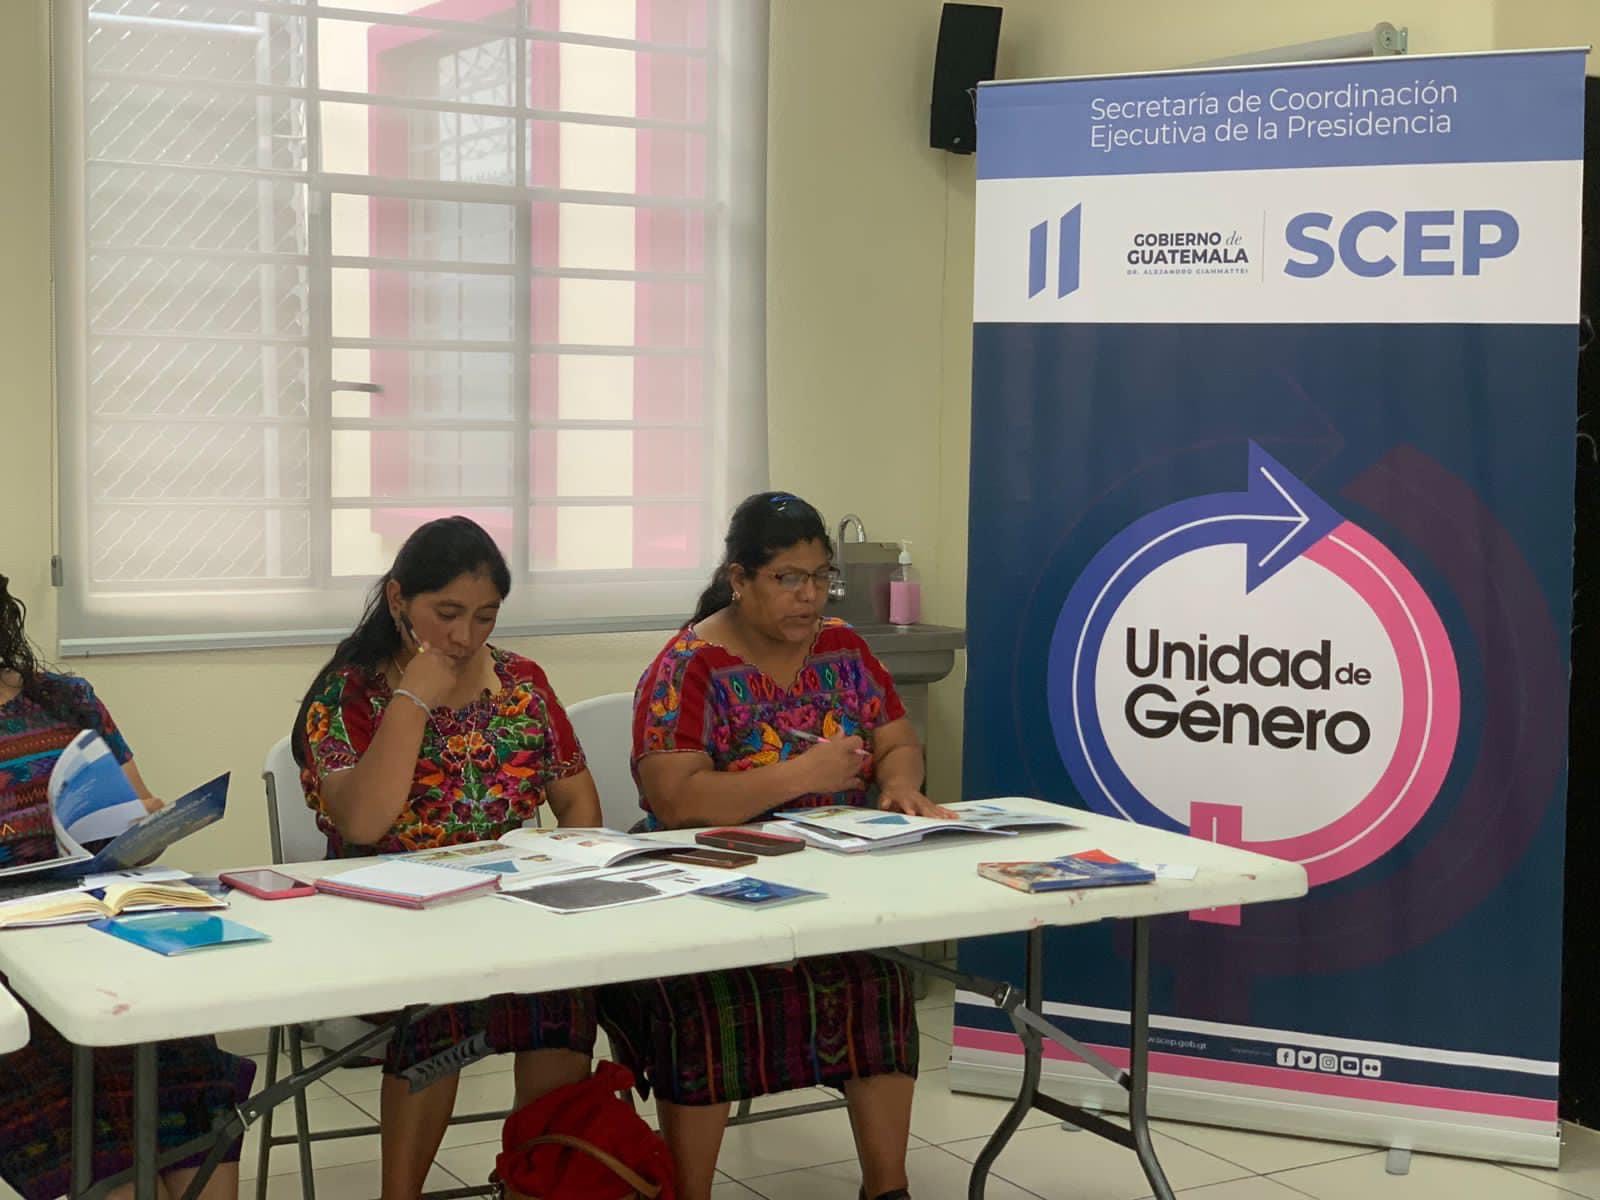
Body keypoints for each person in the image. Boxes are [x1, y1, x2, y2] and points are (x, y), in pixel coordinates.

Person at [601, 492, 948, 1200]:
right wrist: (802, 775)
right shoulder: (689, 666)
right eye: (788, 578)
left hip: (830, 883)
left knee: (877, 985)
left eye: (820, 578)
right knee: (708, 1002)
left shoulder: (844, 648)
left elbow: (898, 740)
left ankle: (888, 1188)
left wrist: (899, 785)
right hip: (707, 892)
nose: (809, 596)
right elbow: (675, 800)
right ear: (740, 578)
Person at [294, 516, 600, 1200]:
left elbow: (579, 801)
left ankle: (534, 1182)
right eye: (448, 613)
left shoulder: (522, 684)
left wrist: (560, 871)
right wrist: (413, 697)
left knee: (564, 991)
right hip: (389, 918)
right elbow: (365, 821)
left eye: (485, 617)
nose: (465, 636)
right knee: (444, 1003)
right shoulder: (348, 695)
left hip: (508, 903)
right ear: (399, 599)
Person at [0, 573, 252, 1200]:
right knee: (69, 1096)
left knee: (183, 1061)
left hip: (108, 932)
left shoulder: (65, 700)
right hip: (13, 969)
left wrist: (147, 827)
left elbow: (133, 814)